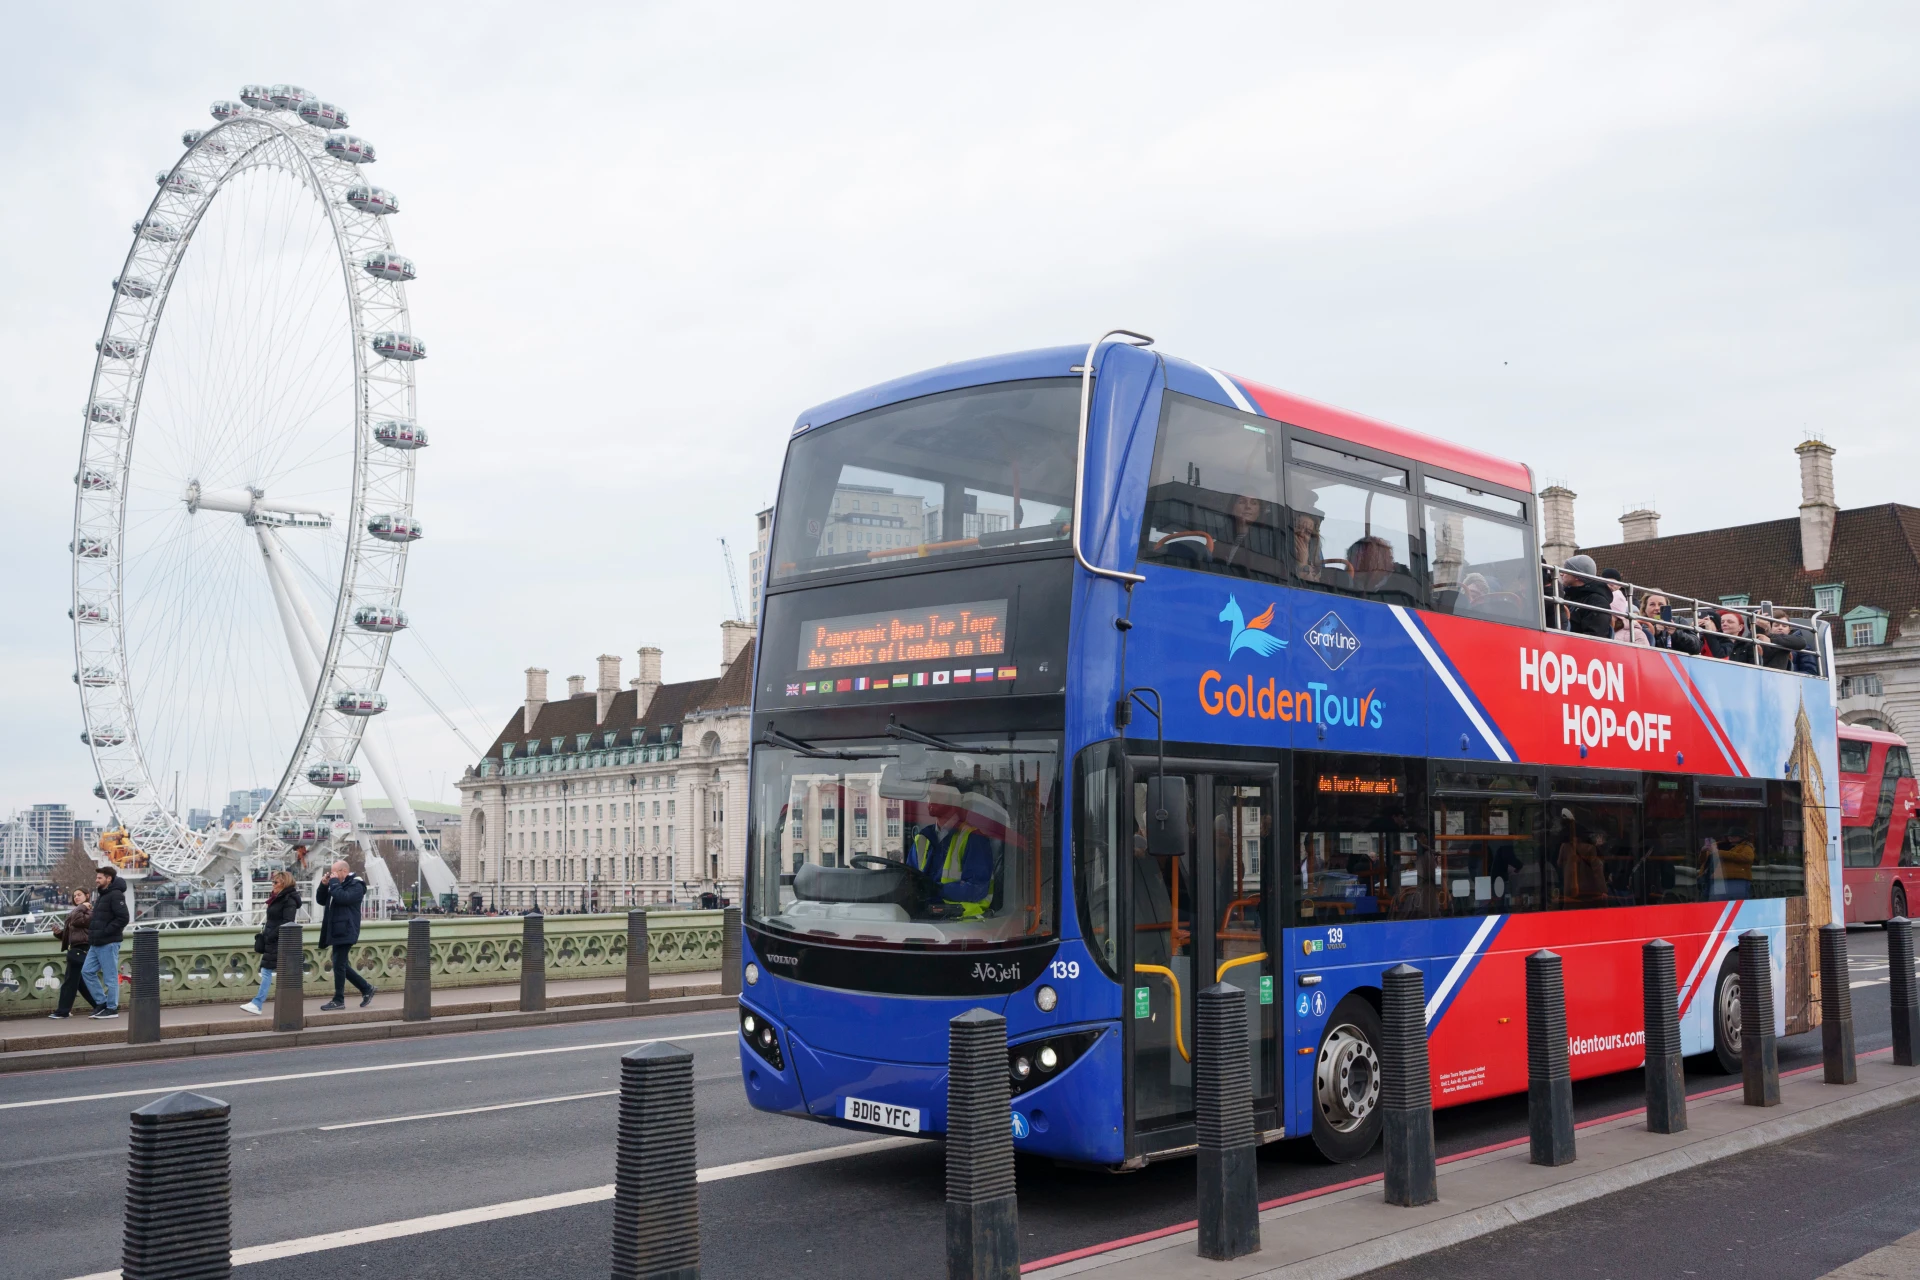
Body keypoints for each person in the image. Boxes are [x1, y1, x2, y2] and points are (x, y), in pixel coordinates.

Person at [907, 785, 995, 919]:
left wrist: (936, 890)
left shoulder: (974, 838)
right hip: (927, 916)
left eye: (939, 794)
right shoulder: (922, 838)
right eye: (931, 793)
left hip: (962, 921)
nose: (932, 798)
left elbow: (977, 889)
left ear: (955, 801)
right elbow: (908, 878)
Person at [315, 859, 376, 1010]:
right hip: (337, 930)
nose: (333, 875)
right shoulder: (337, 884)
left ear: (344, 871)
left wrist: (334, 883)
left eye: (335, 872)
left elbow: (343, 898)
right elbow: (321, 900)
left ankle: (339, 999)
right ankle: (366, 988)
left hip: (347, 929)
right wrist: (323, 885)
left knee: (339, 964)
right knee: (339, 964)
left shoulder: (357, 885)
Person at [242, 870, 302, 1015]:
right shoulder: (277, 898)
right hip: (273, 939)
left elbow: (288, 922)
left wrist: (271, 936)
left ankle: (257, 1003)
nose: (273, 884)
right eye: (272, 882)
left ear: (284, 883)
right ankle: (286, 1005)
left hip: (278, 941)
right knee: (273, 971)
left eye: (275, 882)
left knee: (267, 971)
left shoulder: (289, 900)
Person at [81, 865, 129, 1020]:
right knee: (87, 972)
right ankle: (101, 1003)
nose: (96, 880)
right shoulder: (103, 894)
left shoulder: (115, 895)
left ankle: (112, 1008)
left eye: (100, 878)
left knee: (110, 977)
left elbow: (123, 918)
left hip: (108, 942)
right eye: (97, 877)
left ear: (109, 879)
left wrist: (106, 932)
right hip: (96, 943)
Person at [47, 889, 97, 1019]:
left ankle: (62, 1011)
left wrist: (82, 906)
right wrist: (59, 933)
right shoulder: (78, 912)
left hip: (82, 949)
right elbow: (72, 935)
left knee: (69, 981)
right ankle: (100, 1005)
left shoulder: (90, 912)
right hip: (75, 949)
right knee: (80, 982)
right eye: (74, 896)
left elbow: (77, 921)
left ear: (87, 896)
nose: (76, 897)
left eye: (79, 895)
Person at [1557, 555, 1612, 638]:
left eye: (1566, 570)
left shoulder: (1597, 602)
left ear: (1577, 576)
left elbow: (1596, 636)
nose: (1561, 574)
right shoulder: (1567, 595)